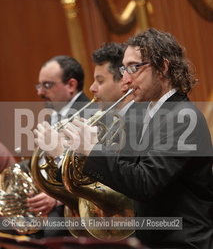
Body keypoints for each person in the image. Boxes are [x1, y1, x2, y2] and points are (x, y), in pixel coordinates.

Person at [59, 29, 213, 248]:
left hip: (182, 241)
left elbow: (145, 183)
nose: (126, 78)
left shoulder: (181, 117)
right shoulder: (149, 113)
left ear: (163, 67)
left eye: (134, 68)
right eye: (124, 69)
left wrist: (94, 150)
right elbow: (127, 172)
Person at [29, 55, 89, 237]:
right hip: (50, 202)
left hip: (75, 205)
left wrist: (56, 197)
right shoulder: (52, 116)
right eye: (39, 86)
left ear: (71, 85)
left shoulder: (89, 114)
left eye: (47, 85)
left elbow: (89, 170)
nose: (40, 93)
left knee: (51, 233)